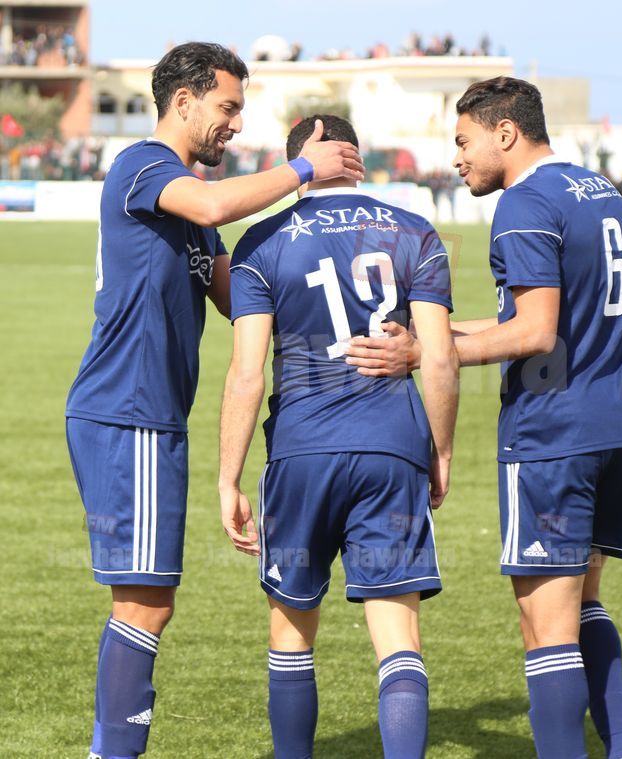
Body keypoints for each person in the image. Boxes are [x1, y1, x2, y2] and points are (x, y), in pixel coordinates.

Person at [65, 43, 363, 759]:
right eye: (227, 106)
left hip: (153, 415)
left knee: (150, 600)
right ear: (183, 100)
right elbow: (216, 200)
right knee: (144, 602)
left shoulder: (194, 215)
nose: (236, 122)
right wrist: (302, 170)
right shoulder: (144, 167)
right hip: (126, 409)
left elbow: (243, 300)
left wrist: (341, 276)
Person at [345, 76, 622, 759]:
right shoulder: (597, 189)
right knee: (584, 602)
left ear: (505, 133)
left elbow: (536, 332)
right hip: (617, 420)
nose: (456, 158)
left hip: (553, 433)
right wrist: (434, 336)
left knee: (546, 628)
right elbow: (539, 316)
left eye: (463, 141)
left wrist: (430, 354)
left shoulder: (523, 204)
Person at [218, 114, 459, 759]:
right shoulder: (416, 231)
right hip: (392, 446)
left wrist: (227, 478)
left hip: (301, 452)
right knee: (398, 640)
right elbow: (438, 358)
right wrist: (440, 449)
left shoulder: (261, 241)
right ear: (357, 159)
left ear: (299, 165)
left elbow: (247, 372)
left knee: (291, 635)